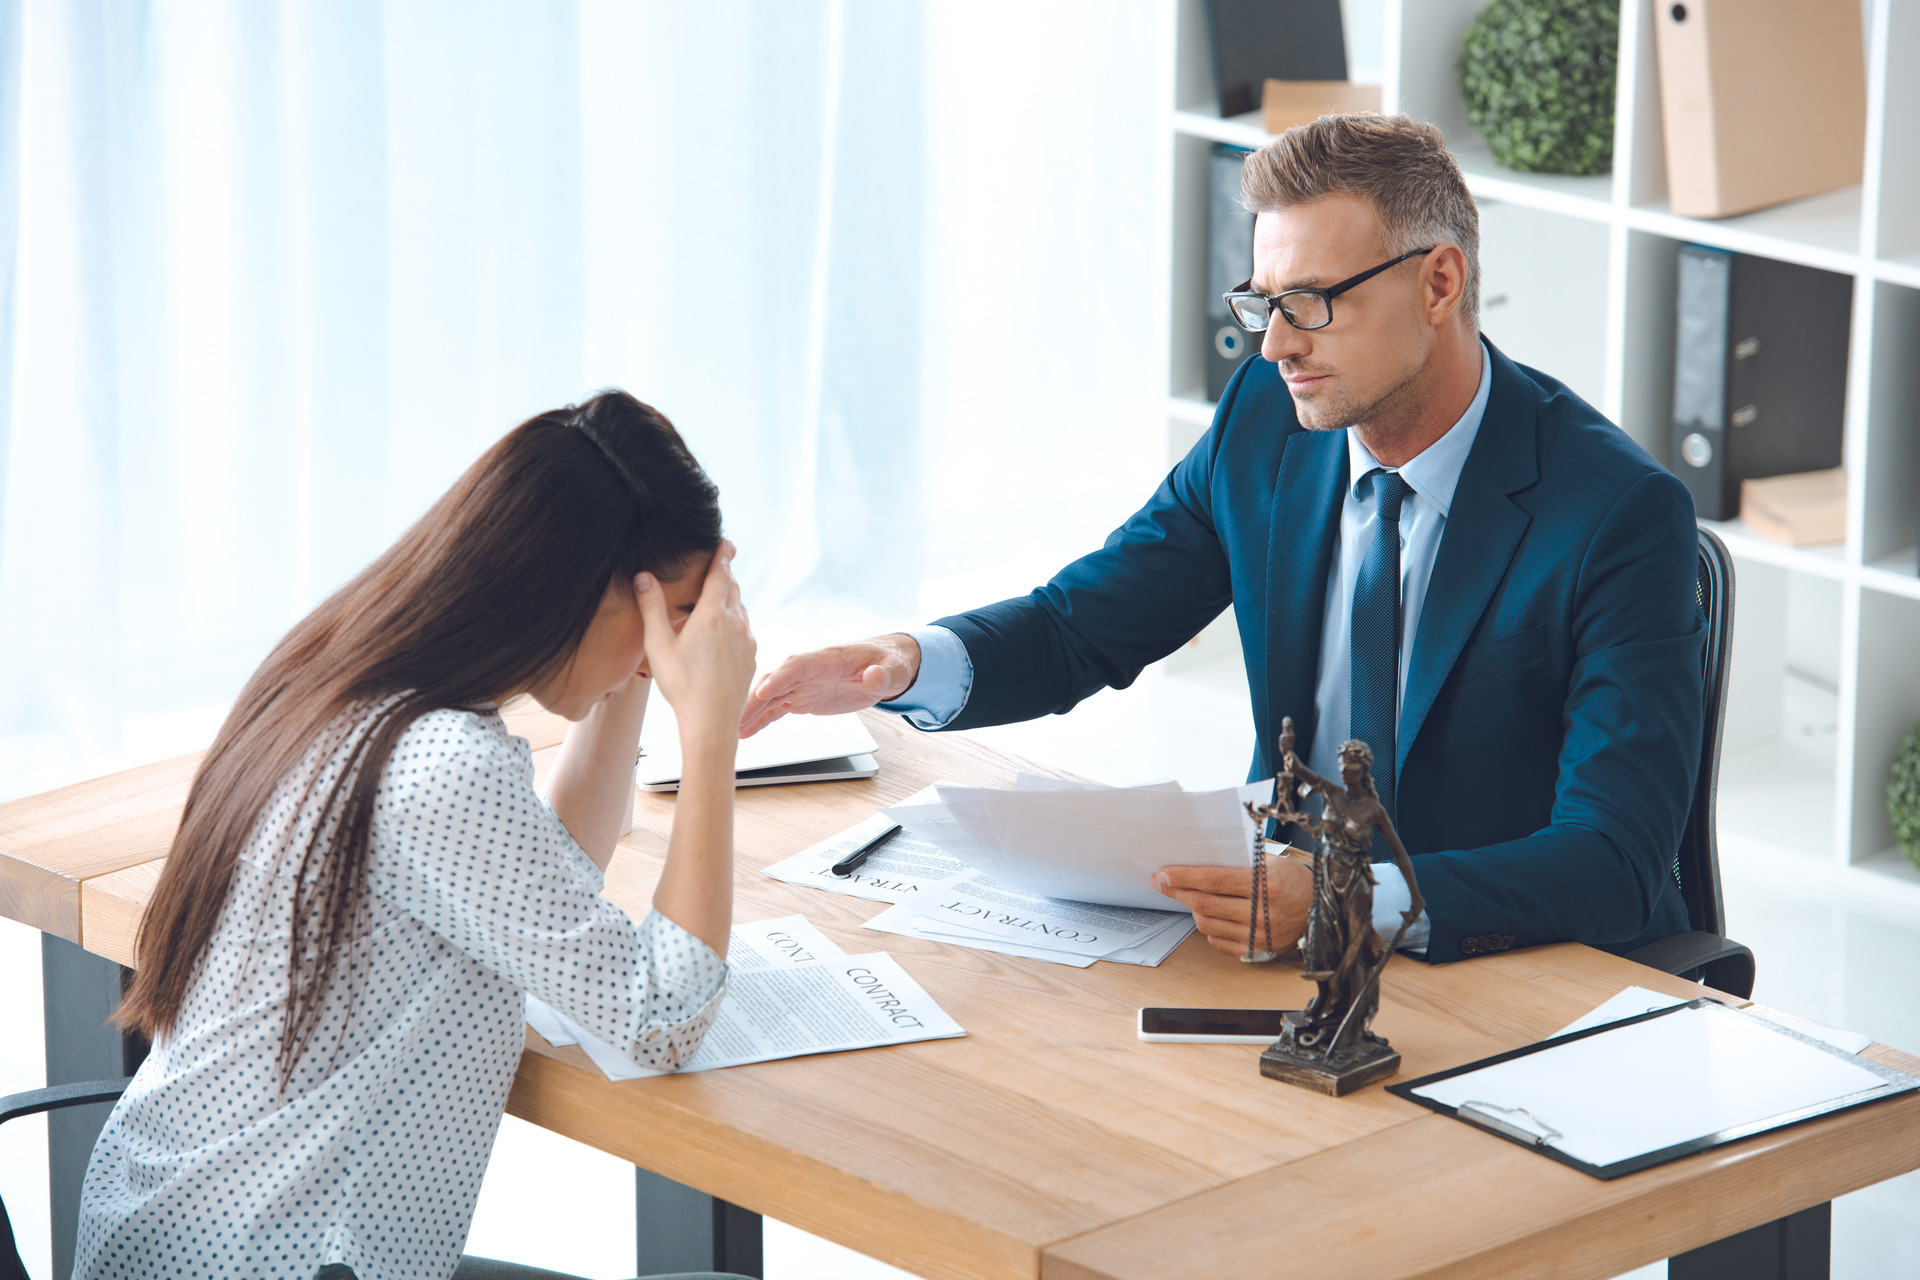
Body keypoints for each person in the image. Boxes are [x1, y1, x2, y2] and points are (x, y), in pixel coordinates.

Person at [741, 113, 1704, 966]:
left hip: (1499, 963)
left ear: (1440, 282)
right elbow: (1088, 625)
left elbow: (1613, 858)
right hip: (1279, 937)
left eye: (1314, 302)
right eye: (1264, 303)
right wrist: (906, 663)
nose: (1277, 345)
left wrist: (1352, 901)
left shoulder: (1616, 517)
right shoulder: (1268, 422)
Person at [77, 391, 758, 1280]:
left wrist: (634, 673)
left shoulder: (345, 674)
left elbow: (546, 883)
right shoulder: (441, 764)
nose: (662, 656)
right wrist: (709, 728)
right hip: (282, 1258)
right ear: (578, 594)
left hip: (186, 1230)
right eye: (662, 623)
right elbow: (663, 1017)